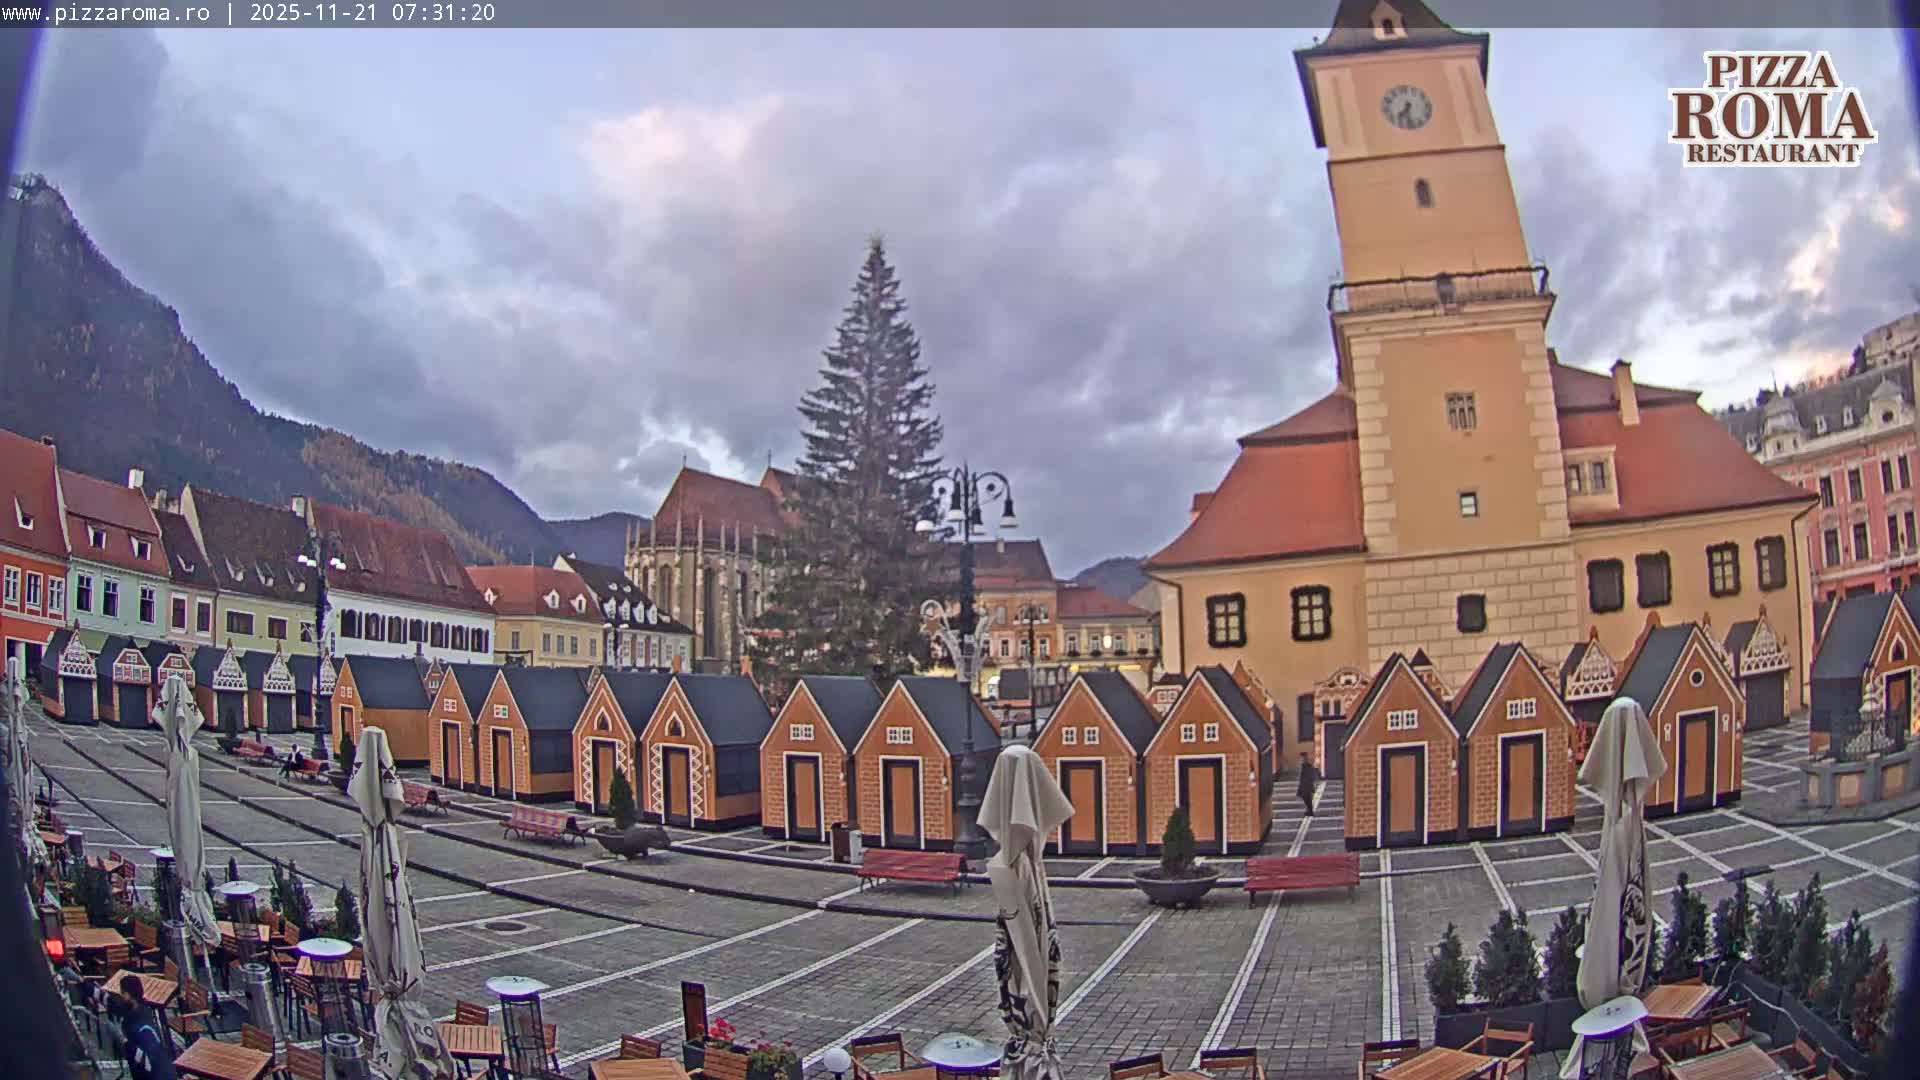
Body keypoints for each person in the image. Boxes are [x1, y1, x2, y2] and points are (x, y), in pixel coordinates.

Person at [115, 975, 176, 1080]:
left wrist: (125, 1043)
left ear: (130, 995)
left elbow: (148, 1059)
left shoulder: (143, 1027)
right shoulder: (136, 1012)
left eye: (123, 993)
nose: (121, 996)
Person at [1297, 751, 1320, 817]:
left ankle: (1310, 811)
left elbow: (1310, 775)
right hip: (1304, 785)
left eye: (1303, 758)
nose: (1302, 759)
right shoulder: (1304, 766)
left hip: (1307, 785)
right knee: (1306, 798)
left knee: (1307, 798)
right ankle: (1309, 811)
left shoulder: (1307, 766)